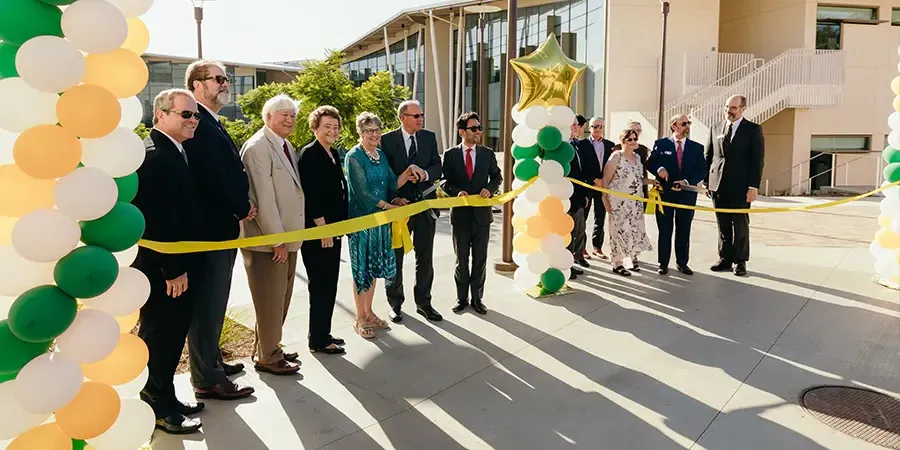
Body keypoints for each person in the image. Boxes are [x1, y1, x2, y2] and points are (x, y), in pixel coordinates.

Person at [182, 60, 255, 400]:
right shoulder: (196, 123)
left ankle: (211, 362)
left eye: (227, 79)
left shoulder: (211, 122)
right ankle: (207, 379)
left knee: (216, 302)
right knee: (207, 303)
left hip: (222, 227)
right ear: (197, 85)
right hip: (209, 229)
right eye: (219, 79)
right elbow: (211, 177)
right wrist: (240, 206)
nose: (226, 84)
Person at [132, 89, 204, 434]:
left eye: (195, 116)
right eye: (185, 115)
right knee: (161, 334)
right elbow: (158, 218)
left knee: (173, 335)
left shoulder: (174, 151)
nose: (193, 121)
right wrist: (173, 269)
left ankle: (167, 395)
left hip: (176, 264)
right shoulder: (156, 156)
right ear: (160, 115)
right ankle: (157, 405)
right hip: (165, 270)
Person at [239, 94, 304, 375]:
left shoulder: (286, 145)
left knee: (280, 298)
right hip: (269, 242)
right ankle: (268, 356)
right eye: (283, 115)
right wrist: (277, 240)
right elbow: (263, 199)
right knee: (269, 299)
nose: (289, 120)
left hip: (287, 238)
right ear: (268, 117)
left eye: (292, 115)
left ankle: (269, 346)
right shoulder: (258, 147)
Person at [345, 112, 419, 339]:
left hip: (381, 222)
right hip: (362, 221)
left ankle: (369, 312)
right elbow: (363, 193)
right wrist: (390, 207)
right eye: (369, 131)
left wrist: (406, 176)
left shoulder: (381, 155)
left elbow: (391, 183)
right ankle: (359, 318)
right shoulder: (354, 156)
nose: (375, 134)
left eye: (377, 130)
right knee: (362, 270)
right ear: (360, 132)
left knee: (375, 268)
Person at [380, 100, 443, 322]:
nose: (420, 119)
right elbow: (384, 175)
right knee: (395, 258)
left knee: (425, 258)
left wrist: (424, 174)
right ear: (403, 118)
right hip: (399, 209)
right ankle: (395, 304)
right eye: (416, 116)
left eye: (421, 115)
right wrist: (395, 198)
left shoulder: (429, 137)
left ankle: (424, 303)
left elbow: (437, 166)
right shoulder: (386, 140)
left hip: (425, 207)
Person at [297, 106, 348, 354]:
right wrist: (322, 228)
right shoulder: (310, 154)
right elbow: (311, 195)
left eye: (335, 126)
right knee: (320, 285)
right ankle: (318, 340)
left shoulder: (334, 153)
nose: (332, 130)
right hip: (319, 232)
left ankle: (323, 333)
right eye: (327, 126)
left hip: (335, 229)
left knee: (330, 284)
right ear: (315, 128)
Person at [441, 112, 502, 315]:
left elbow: (497, 177)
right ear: (462, 131)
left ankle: (477, 298)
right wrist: (455, 192)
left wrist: (489, 189)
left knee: (480, 259)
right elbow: (444, 181)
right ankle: (461, 298)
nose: (478, 132)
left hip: (482, 216)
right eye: (473, 128)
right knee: (462, 259)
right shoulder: (450, 155)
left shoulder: (487, 153)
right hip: (460, 216)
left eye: (479, 128)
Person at [705, 94, 765, 277]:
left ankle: (740, 260)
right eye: (726, 107)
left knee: (739, 223)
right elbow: (709, 155)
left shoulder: (753, 130)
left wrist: (753, 186)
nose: (728, 111)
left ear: (742, 109)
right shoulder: (715, 128)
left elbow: (757, 161)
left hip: (741, 186)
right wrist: (707, 181)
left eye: (733, 108)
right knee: (722, 223)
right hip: (718, 185)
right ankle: (725, 257)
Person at [647, 114, 708, 276]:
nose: (687, 126)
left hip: (686, 195)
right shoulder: (661, 144)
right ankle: (663, 263)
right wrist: (659, 169)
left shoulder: (697, 147)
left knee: (684, 229)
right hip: (665, 194)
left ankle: (682, 263)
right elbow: (651, 162)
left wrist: (687, 181)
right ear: (674, 126)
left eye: (688, 123)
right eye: (684, 123)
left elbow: (702, 169)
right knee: (665, 230)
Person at [602, 128, 655, 276]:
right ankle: (617, 263)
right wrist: (604, 199)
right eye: (630, 139)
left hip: (635, 202)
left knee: (633, 230)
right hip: (619, 201)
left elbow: (638, 179)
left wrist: (651, 181)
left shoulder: (637, 158)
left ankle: (631, 259)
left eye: (635, 139)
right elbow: (606, 179)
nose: (633, 142)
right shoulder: (616, 157)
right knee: (619, 231)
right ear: (623, 141)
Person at [580, 116, 615, 260]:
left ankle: (597, 247)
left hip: (603, 187)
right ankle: (582, 248)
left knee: (600, 218)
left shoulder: (610, 145)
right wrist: (593, 179)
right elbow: (582, 165)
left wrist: (604, 181)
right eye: (595, 126)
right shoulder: (582, 144)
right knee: (583, 217)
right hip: (588, 185)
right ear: (590, 128)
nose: (597, 129)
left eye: (600, 126)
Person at [566, 118, 591, 280]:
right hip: (567, 198)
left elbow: (582, 172)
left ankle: (574, 260)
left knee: (578, 231)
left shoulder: (577, 145)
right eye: (573, 124)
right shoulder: (562, 148)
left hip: (580, 198)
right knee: (567, 233)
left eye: (577, 124)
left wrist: (585, 195)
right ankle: (566, 265)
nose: (577, 127)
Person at [612, 119, 651, 199]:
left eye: (638, 130)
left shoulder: (643, 149)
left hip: (639, 190)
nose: (635, 133)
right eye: (632, 130)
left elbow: (646, 168)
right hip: (621, 190)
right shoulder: (617, 149)